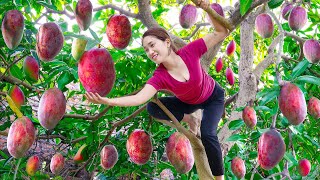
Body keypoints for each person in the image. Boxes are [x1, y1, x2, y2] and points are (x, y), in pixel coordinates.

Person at [85, 0, 229, 179]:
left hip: (212, 98)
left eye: (152, 45)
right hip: (189, 103)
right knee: (153, 107)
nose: (150, 51)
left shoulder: (190, 51)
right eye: (146, 49)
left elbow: (222, 31)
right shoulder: (160, 75)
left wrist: (206, 8)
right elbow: (139, 98)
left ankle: (219, 178)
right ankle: (189, 119)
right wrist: (108, 101)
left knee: (208, 134)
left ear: (167, 42)